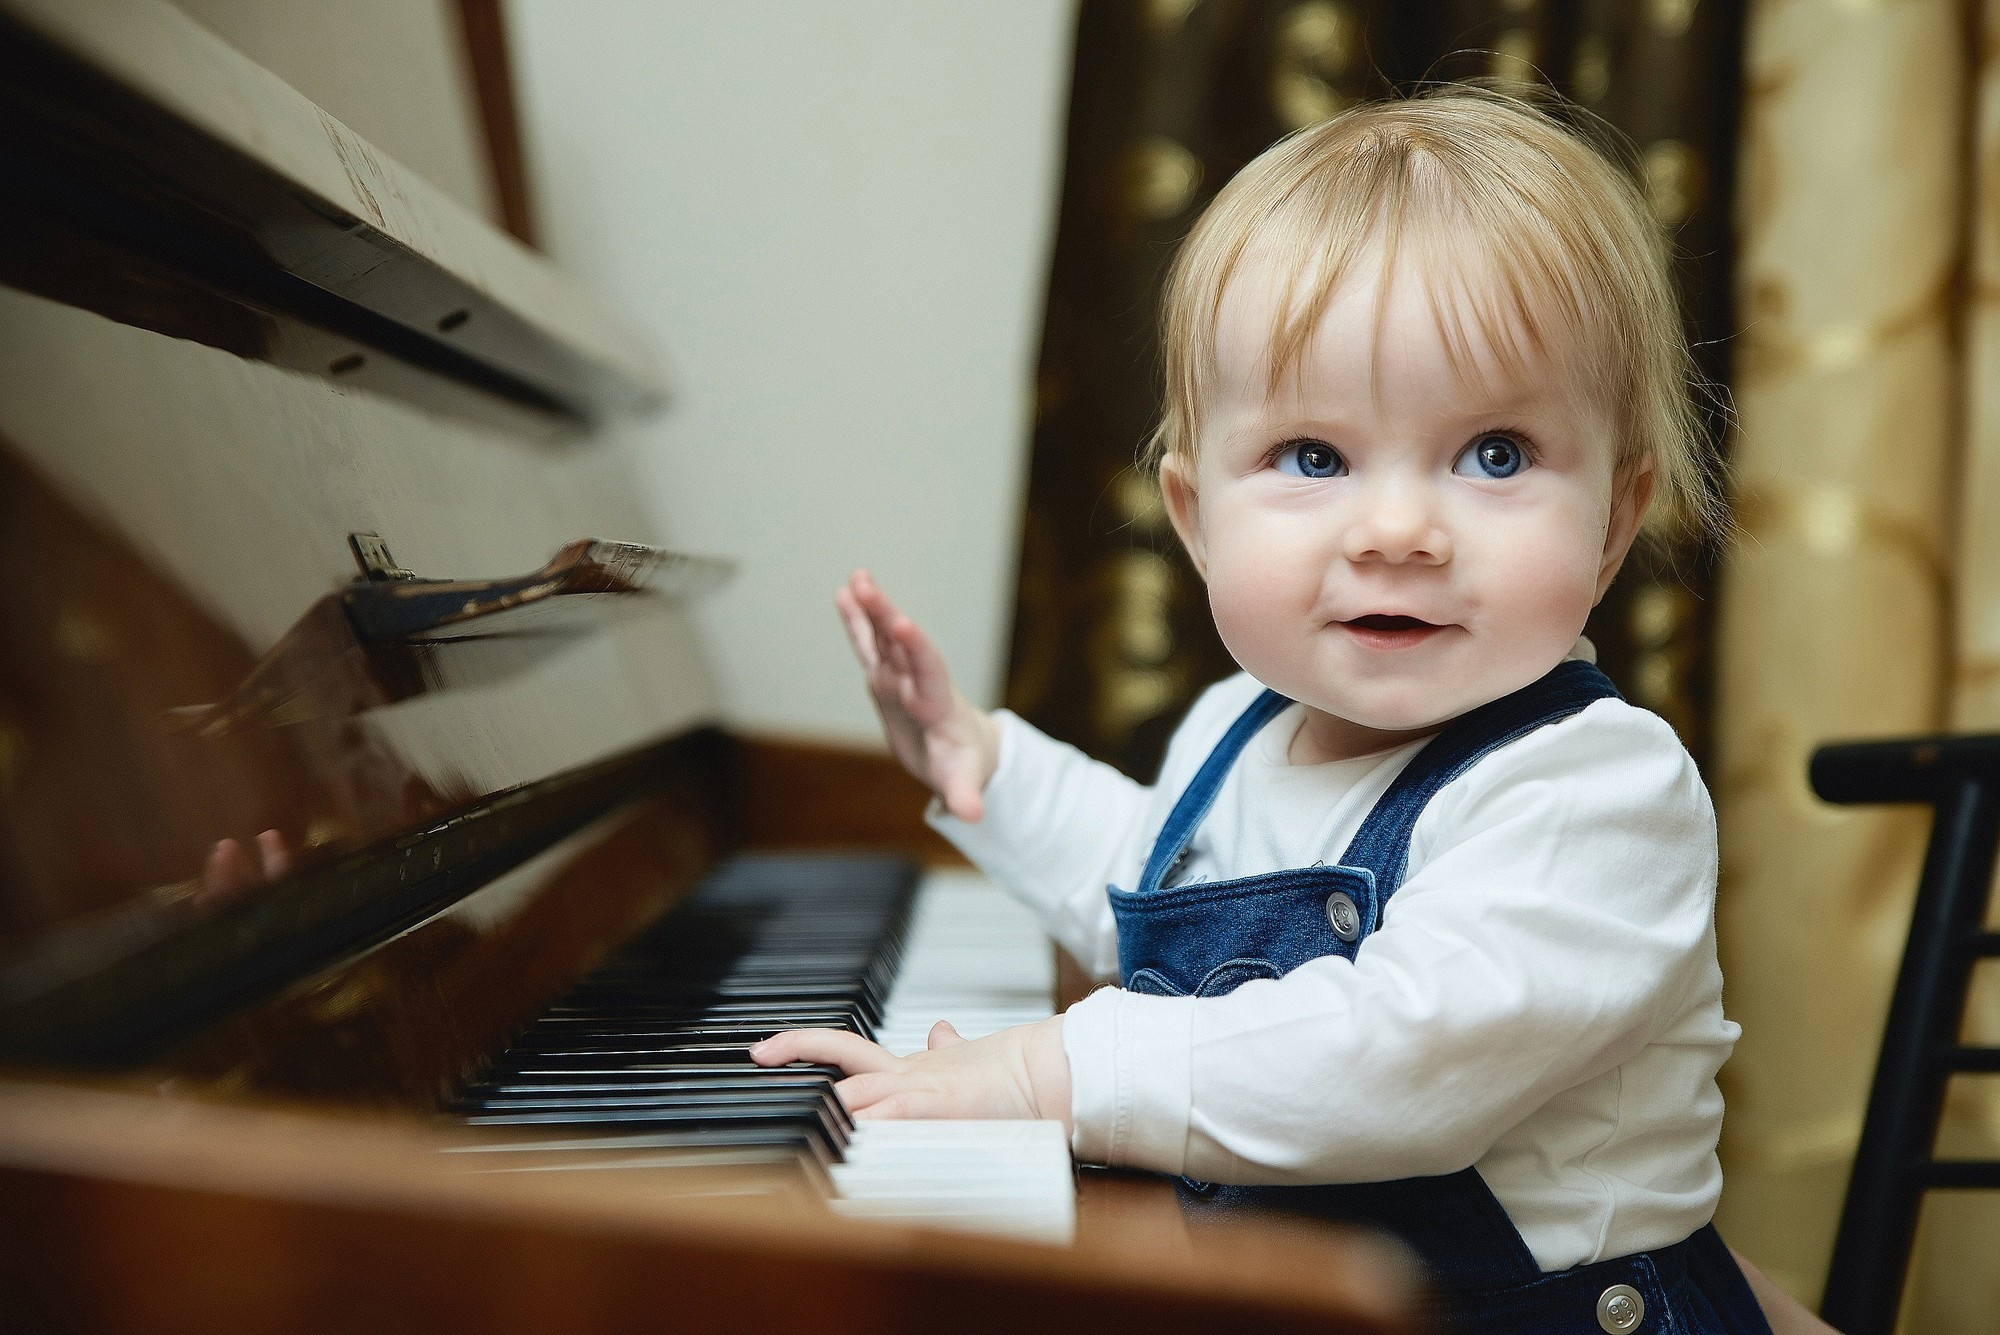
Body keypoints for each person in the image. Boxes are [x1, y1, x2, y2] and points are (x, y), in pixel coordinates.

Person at [754, 88, 1812, 1333]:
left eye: (1495, 455)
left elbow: (1390, 1060)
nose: (1397, 532)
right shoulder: (1233, 729)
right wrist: (980, 760)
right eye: (1313, 457)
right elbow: (1147, 888)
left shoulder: (1593, 792)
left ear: (1615, 518)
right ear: (1195, 520)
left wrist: (1052, 1068)